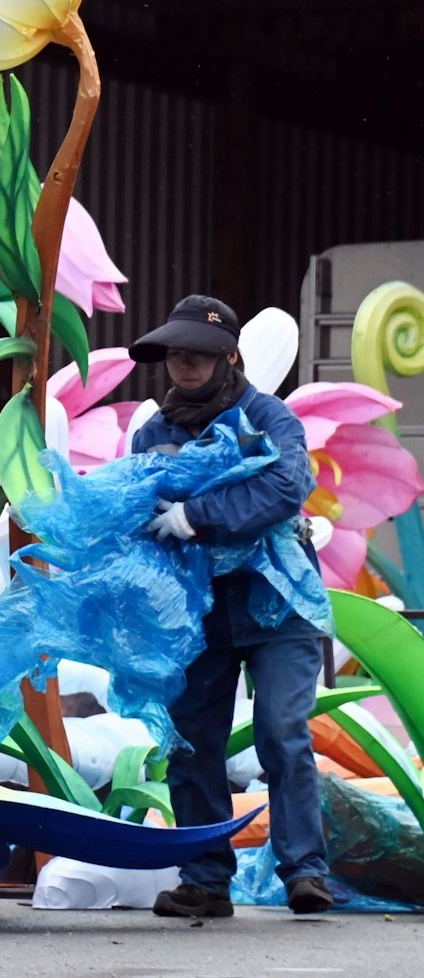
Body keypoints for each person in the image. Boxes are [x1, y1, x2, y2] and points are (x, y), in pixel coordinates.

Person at [127, 295, 332, 918]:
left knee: (282, 732)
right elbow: (135, 503)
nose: (185, 364)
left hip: (279, 607)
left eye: (199, 353)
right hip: (198, 613)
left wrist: (197, 513)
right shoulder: (154, 434)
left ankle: (305, 872)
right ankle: (205, 880)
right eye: (175, 354)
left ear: (230, 358)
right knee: (190, 742)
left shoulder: (268, 417)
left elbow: (285, 485)